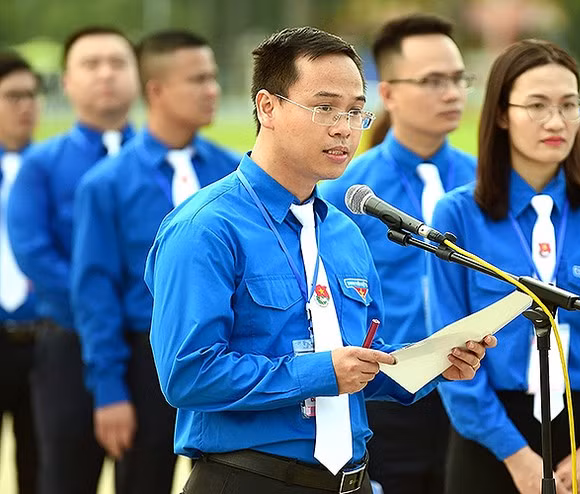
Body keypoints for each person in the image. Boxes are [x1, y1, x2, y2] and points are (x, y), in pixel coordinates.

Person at [144, 26, 495, 494]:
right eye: (324, 107)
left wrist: (431, 367)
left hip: (353, 479)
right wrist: (322, 372)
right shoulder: (206, 227)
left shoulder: (345, 231)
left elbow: (360, 362)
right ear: (267, 107)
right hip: (249, 479)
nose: (344, 128)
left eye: (355, 112)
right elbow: (187, 373)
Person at [428, 39, 580, 494]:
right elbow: (446, 347)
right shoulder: (457, 215)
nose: (556, 122)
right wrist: (515, 455)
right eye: (536, 105)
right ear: (501, 114)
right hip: (491, 440)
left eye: (570, 105)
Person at [69, 29, 239, 493]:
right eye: (198, 79)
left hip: (225, 357)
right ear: (156, 90)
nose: (213, 90)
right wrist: (109, 392)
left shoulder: (234, 174)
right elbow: (95, 292)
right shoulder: (106, 184)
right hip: (143, 366)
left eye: (214, 77)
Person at [320, 13, 476, 494]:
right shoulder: (349, 191)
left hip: (474, 389)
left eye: (457, 79)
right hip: (386, 394)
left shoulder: (487, 185)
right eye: (432, 81)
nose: (451, 93)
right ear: (386, 93)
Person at [7, 26, 139, 494]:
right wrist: (105, 309)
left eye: (118, 63)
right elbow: (35, 255)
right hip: (69, 346)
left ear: (139, 76)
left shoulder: (167, 167)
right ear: (66, 81)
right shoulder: (40, 166)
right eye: (91, 63)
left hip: (150, 349)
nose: (106, 74)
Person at [0, 50, 42, 494]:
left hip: (44, 339)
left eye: (31, 95)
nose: (26, 106)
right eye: (13, 96)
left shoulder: (53, 168)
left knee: (42, 469)